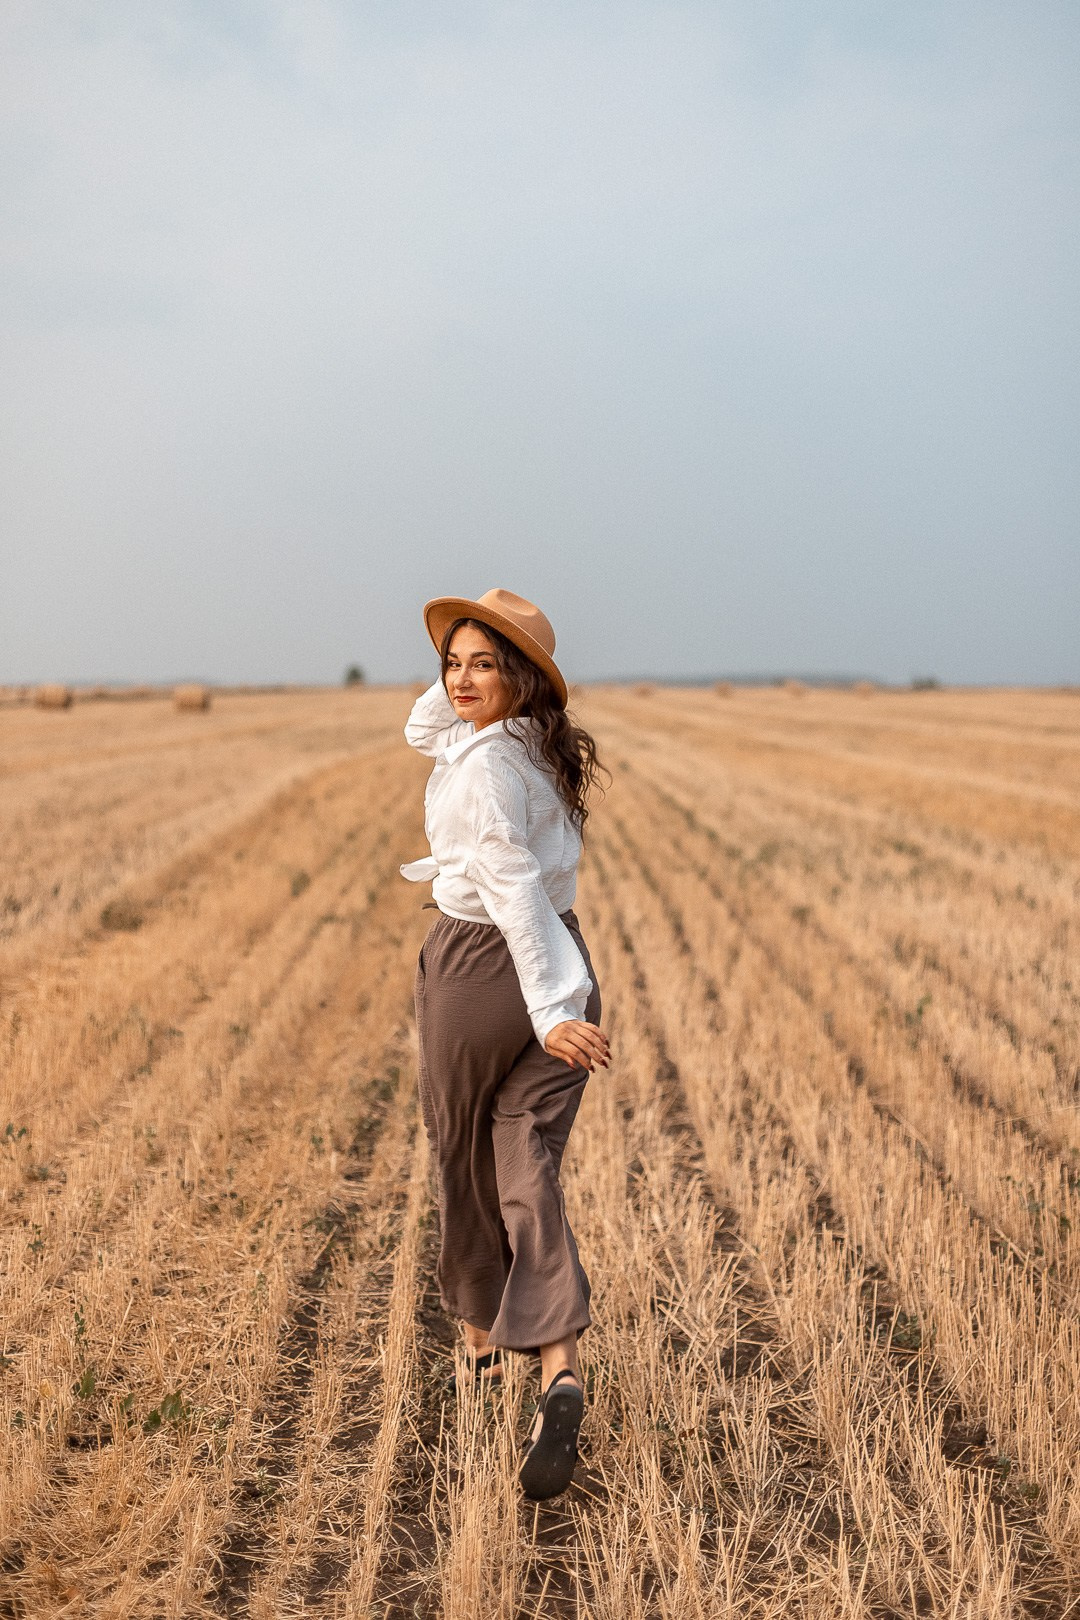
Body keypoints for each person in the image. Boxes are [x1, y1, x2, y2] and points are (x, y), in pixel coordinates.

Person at [400, 587, 610, 1500]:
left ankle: (484, 1352)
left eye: (483, 665)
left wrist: (550, 1008)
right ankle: (559, 1369)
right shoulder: (528, 743)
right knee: (525, 1162)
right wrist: (474, 657)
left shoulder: (485, 766)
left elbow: (511, 886)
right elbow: (425, 725)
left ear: (521, 677)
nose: (458, 681)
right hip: (567, 957)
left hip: (484, 970)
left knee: (460, 1152)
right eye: (453, 664)